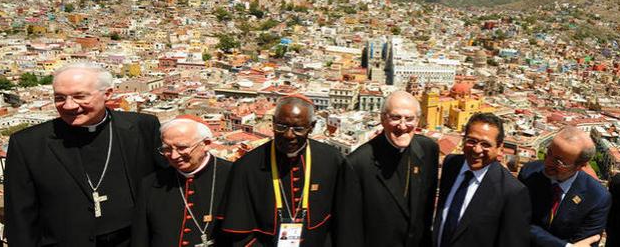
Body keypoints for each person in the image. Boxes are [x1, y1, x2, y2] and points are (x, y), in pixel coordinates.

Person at [4, 62, 164, 246]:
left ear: (108, 94)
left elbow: (163, 187)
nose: (69, 106)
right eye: (60, 98)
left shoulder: (143, 127)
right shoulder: (28, 143)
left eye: (80, 96)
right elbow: (19, 215)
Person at [220, 95, 343, 246]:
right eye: (281, 126)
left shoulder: (331, 159)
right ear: (273, 122)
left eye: (298, 129)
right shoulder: (246, 166)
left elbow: (343, 218)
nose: (289, 135)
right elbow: (239, 231)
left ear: (311, 126)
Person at [336, 91, 439, 247]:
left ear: (418, 121)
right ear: (382, 119)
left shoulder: (429, 149)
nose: (403, 126)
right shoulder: (357, 163)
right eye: (395, 117)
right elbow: (349, 230)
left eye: (409, 118)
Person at [434, 113, 531, 247]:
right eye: (471, 141)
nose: (477, 149)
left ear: (499, 148)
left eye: (486, 144)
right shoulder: (451, 164)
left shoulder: (512, 192)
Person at [132, 117, 232, 246]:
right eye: (167, 149)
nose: (174, 156)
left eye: (182, 147)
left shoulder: (234, 176)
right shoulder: (151, 183)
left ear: (206, 144)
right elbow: (140, 237)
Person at [518, 126, 611, 247]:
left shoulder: (597, 198)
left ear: (580, 165)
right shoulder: (529, 172)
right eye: (549, 153)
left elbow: (587, 243)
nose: (547, 162)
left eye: (559, 162)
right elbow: (518, 221)